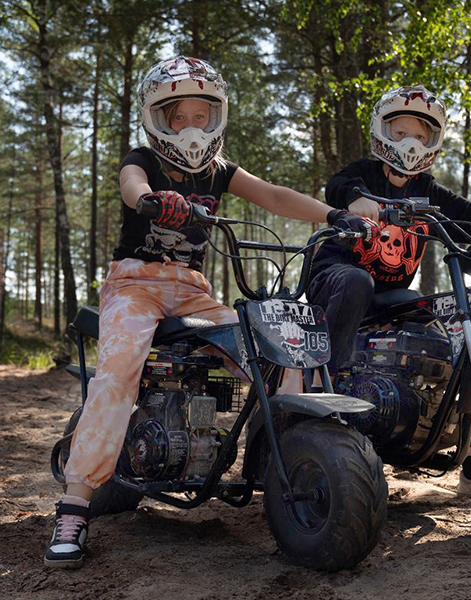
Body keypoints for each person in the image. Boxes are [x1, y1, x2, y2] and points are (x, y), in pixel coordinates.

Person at [45, 56, 370, 569]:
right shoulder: (143, 161)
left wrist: (334, 215)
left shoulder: (220, 172)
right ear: (158, 120)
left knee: (279, 347)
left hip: (193, 290)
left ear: (217, 118)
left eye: (202, 116)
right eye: (179, 117)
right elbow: (131, 185)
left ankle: (291, 453)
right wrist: (152, 201)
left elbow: (274, 196)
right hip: (135, 284)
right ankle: (74, 506)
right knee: (118, 371)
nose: (191, 128)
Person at [307, 84, 471, 375]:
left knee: (430, 314)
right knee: (357, 282)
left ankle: (422, 403)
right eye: (400, 134)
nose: (410, 143)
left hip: (389, 296)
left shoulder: (429, 192)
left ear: (433, 141)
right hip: (334, 279)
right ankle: (322, 379)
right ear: (382, 132)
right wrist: (355, 198)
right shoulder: (363, 174)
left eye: (420, 136)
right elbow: (337, 185)